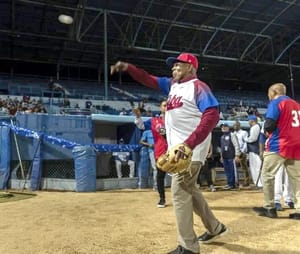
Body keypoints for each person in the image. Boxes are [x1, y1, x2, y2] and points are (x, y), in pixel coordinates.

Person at [111, 53, 228, 254]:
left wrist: (189, 144)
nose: (173, 68)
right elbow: (148, 79)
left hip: (190, 150)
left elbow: (212, 114)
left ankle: (188, 247)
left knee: (180, 191)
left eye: (178, 65)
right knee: (190, 190)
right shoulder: (173, 85)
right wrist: (128, 68)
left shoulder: (198, 87)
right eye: (172, 66)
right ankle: (215, 227)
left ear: (190, 67)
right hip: (179, 150)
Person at [253, 83, 300, 219]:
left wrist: (268, 132)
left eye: (269, 93)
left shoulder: (276, 102)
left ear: (274, 92)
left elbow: (269, 124)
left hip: (279, 145)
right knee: (297, 179)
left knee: (267, 175)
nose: (269, 96)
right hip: (297, 145)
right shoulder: (297, 104)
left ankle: (270, 208)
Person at [134, 100, 168, 208]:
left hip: (174, 151)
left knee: (179, 175)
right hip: (160, 151)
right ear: (160, 108)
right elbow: (141, 126)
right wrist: (138, 116)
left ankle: (182, 199)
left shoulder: (176, 120)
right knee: (160, 175)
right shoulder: (154, 120)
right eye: (164, 105)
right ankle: (162, 198)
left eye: (168, 105)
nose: (166, 107)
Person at [219, 123, 241, 190]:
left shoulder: (232, 135)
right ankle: (229, 183)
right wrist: (221, 156)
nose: (223, 128)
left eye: (225, 126)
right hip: (225, 156)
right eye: (222, 127)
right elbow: (222, 148)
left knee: (232, 170)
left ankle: (234, 184)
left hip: (231, 156)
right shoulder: (222, 137)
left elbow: (236, 145)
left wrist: (237, 155)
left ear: (228, 127)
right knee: (227, 171)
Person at [244, 115, 262, 187]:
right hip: (254, 149)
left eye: (249, 120)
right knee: (256, 167)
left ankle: (259, 183)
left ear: (252, 121)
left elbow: (253, 139)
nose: (248, 122)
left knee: (256, 167)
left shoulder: (255, 127)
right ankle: (258, 183)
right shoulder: (256, 127)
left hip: (255, 149)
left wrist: (245, 139)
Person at [233, 121, 251, 187]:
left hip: (242, 152)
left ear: (239, 126)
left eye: (236, 125)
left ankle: (247, 182)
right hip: (235, 152)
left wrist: (243, 151)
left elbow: (245, 142)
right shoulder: (233, 133)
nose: (235, 126)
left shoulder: (244, 132)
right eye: (234, 125)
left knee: (244, 167)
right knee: (234, 168)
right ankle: (236, 182)